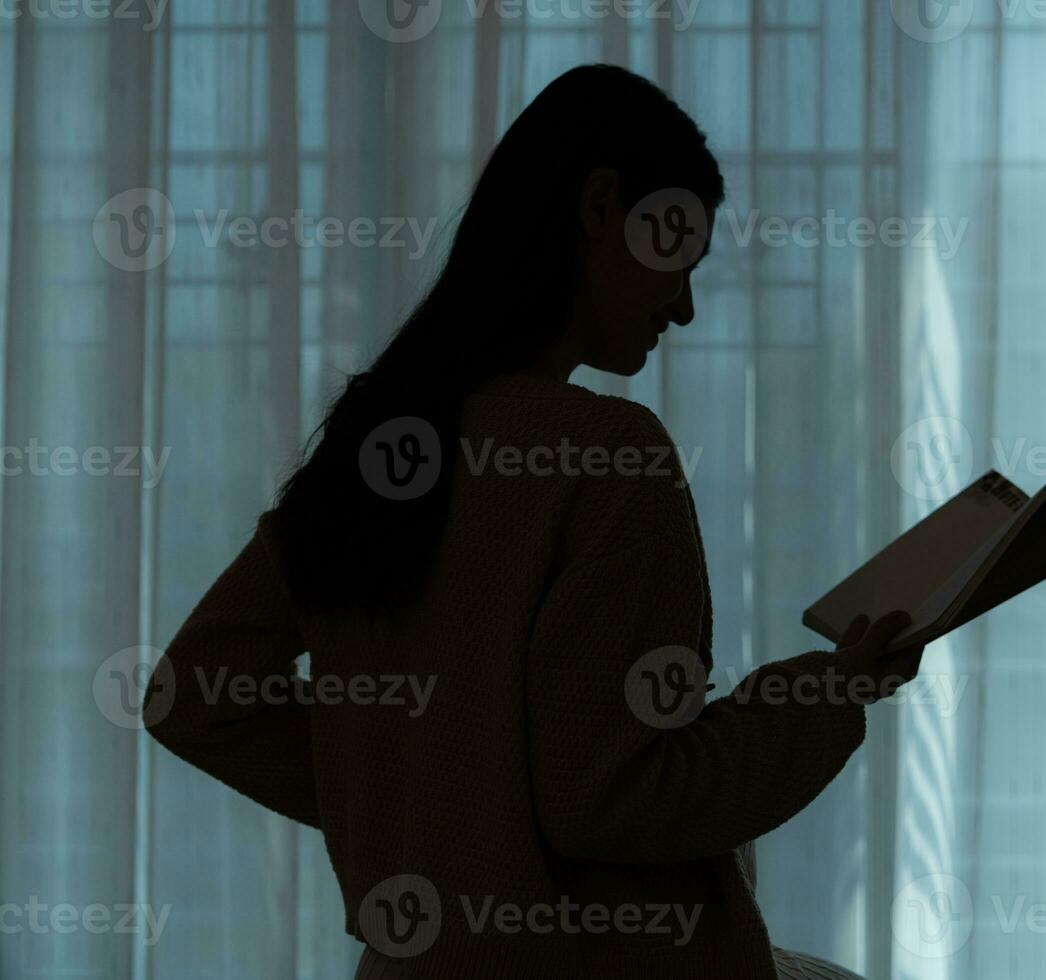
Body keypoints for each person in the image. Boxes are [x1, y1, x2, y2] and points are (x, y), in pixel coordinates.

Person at [144, 63, 925, 979]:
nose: (683, 306)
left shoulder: (376, 445)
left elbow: (192, 695)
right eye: (678, 258)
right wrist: (830, 692)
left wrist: (428, 796)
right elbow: (618, 799)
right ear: (600, 207)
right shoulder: (609, 457)